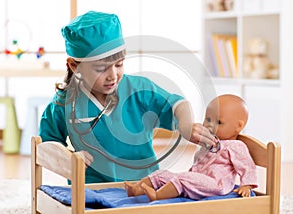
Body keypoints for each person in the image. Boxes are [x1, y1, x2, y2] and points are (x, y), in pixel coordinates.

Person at [38, 10, 216, 183]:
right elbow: (47, 144)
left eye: (119, 65)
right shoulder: (63, 105)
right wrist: (68, 158)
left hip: (145, 185)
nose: (113, 75)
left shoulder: (139, 89)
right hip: (91, 188)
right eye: (101, 69)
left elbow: (177, 104)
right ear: (74, 66)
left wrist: (185, 126)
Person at [124, 94, 258, 201]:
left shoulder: (236, 146)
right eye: (208, 119)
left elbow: (247, 167)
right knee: (163, 174)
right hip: (198, 178)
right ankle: (137, 189)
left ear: (238, 126)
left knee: (182, 179)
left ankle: (157, 196)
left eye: (218, 122)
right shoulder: (210, 141)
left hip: (216, 184)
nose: (210, 125)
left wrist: (246, 185)